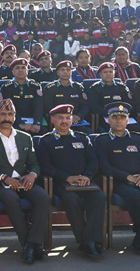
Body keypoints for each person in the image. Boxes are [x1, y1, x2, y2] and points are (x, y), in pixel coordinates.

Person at [0, 99, 49, 264]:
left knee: (42, 197)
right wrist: (4, 178)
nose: (6, 117)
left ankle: (32, 244)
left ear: (15, 117)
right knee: (12, 199)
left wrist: (32, 175)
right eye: (3, 114)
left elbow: (34, 163)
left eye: (10, 114)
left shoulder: (25, 137)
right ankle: (27, 244)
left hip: (23, 181)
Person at [93, 103, 140, 255]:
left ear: (128, 121)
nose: (119, 121)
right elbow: (104, 167)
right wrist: (127, 177)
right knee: (135, 196)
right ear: (108, 120)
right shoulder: (101, 140)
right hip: (118, 182)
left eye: (123, 118)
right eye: (115, 118)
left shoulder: (138, 138)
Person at [35, 103, 105, 261]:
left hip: (85, 182)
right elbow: (45, 167)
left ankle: (91, 240)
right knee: (72, 200)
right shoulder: (46, 141)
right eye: (60, 118)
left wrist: (87, 176)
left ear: (72, 120)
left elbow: (93, 162)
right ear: (52, 120)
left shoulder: (82, 138)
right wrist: (67, 177)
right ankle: (88, 242)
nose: (64, 121)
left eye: (68, 118)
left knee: (99, 198)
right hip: (61, 184)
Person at [0, 58, 45, 136]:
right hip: (15, 121)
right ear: (13, 71)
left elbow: (38, 106)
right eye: (17, 68)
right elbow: (9, 108)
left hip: (32, 120)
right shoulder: (7, 87)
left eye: (23, 68)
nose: (20, 70)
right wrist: (20, 123)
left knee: (44, 132)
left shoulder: (35, 86)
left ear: (27, 70)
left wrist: (37, 123)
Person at [42, 60, 91, 132]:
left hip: (75, 121)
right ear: (57, 72)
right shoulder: (51, 88)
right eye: (62, 70)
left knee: (87, 132)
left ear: (71, 72)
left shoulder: (78, 87)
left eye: (68, 70)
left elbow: (85, 105)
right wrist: (62, 117)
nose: (65, 72)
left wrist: (79, 116)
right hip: (58, 121)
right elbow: (47, 107)